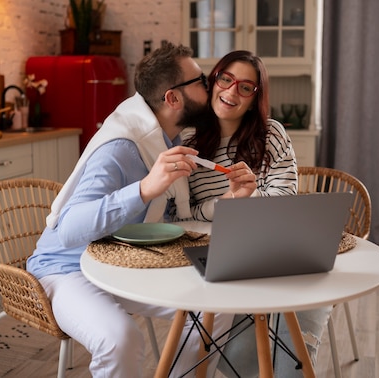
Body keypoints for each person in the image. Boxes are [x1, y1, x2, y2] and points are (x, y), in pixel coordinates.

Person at [26, 42, 233, 377]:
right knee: (121, 339)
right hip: (67, 268)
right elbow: (68, 230)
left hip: (125, 261)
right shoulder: (122, 148)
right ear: (172, 98)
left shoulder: (169, 142)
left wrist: (231, 200)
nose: (209, 87)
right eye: (200, 81)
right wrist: (143, 189)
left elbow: (171, 218)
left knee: (215, 308)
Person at [182, 50, 332, 376]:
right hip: (223, 253)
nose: (232, 92)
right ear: (214, 80)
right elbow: (182, 216)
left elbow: (284, 202)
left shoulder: (272, 135)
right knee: (239, 347)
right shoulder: (187, 140)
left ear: (255, 97)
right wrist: (226, 202)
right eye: (226, 79)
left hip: (276, 246)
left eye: (246, 87)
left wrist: (250, 197)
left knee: (306, 307)